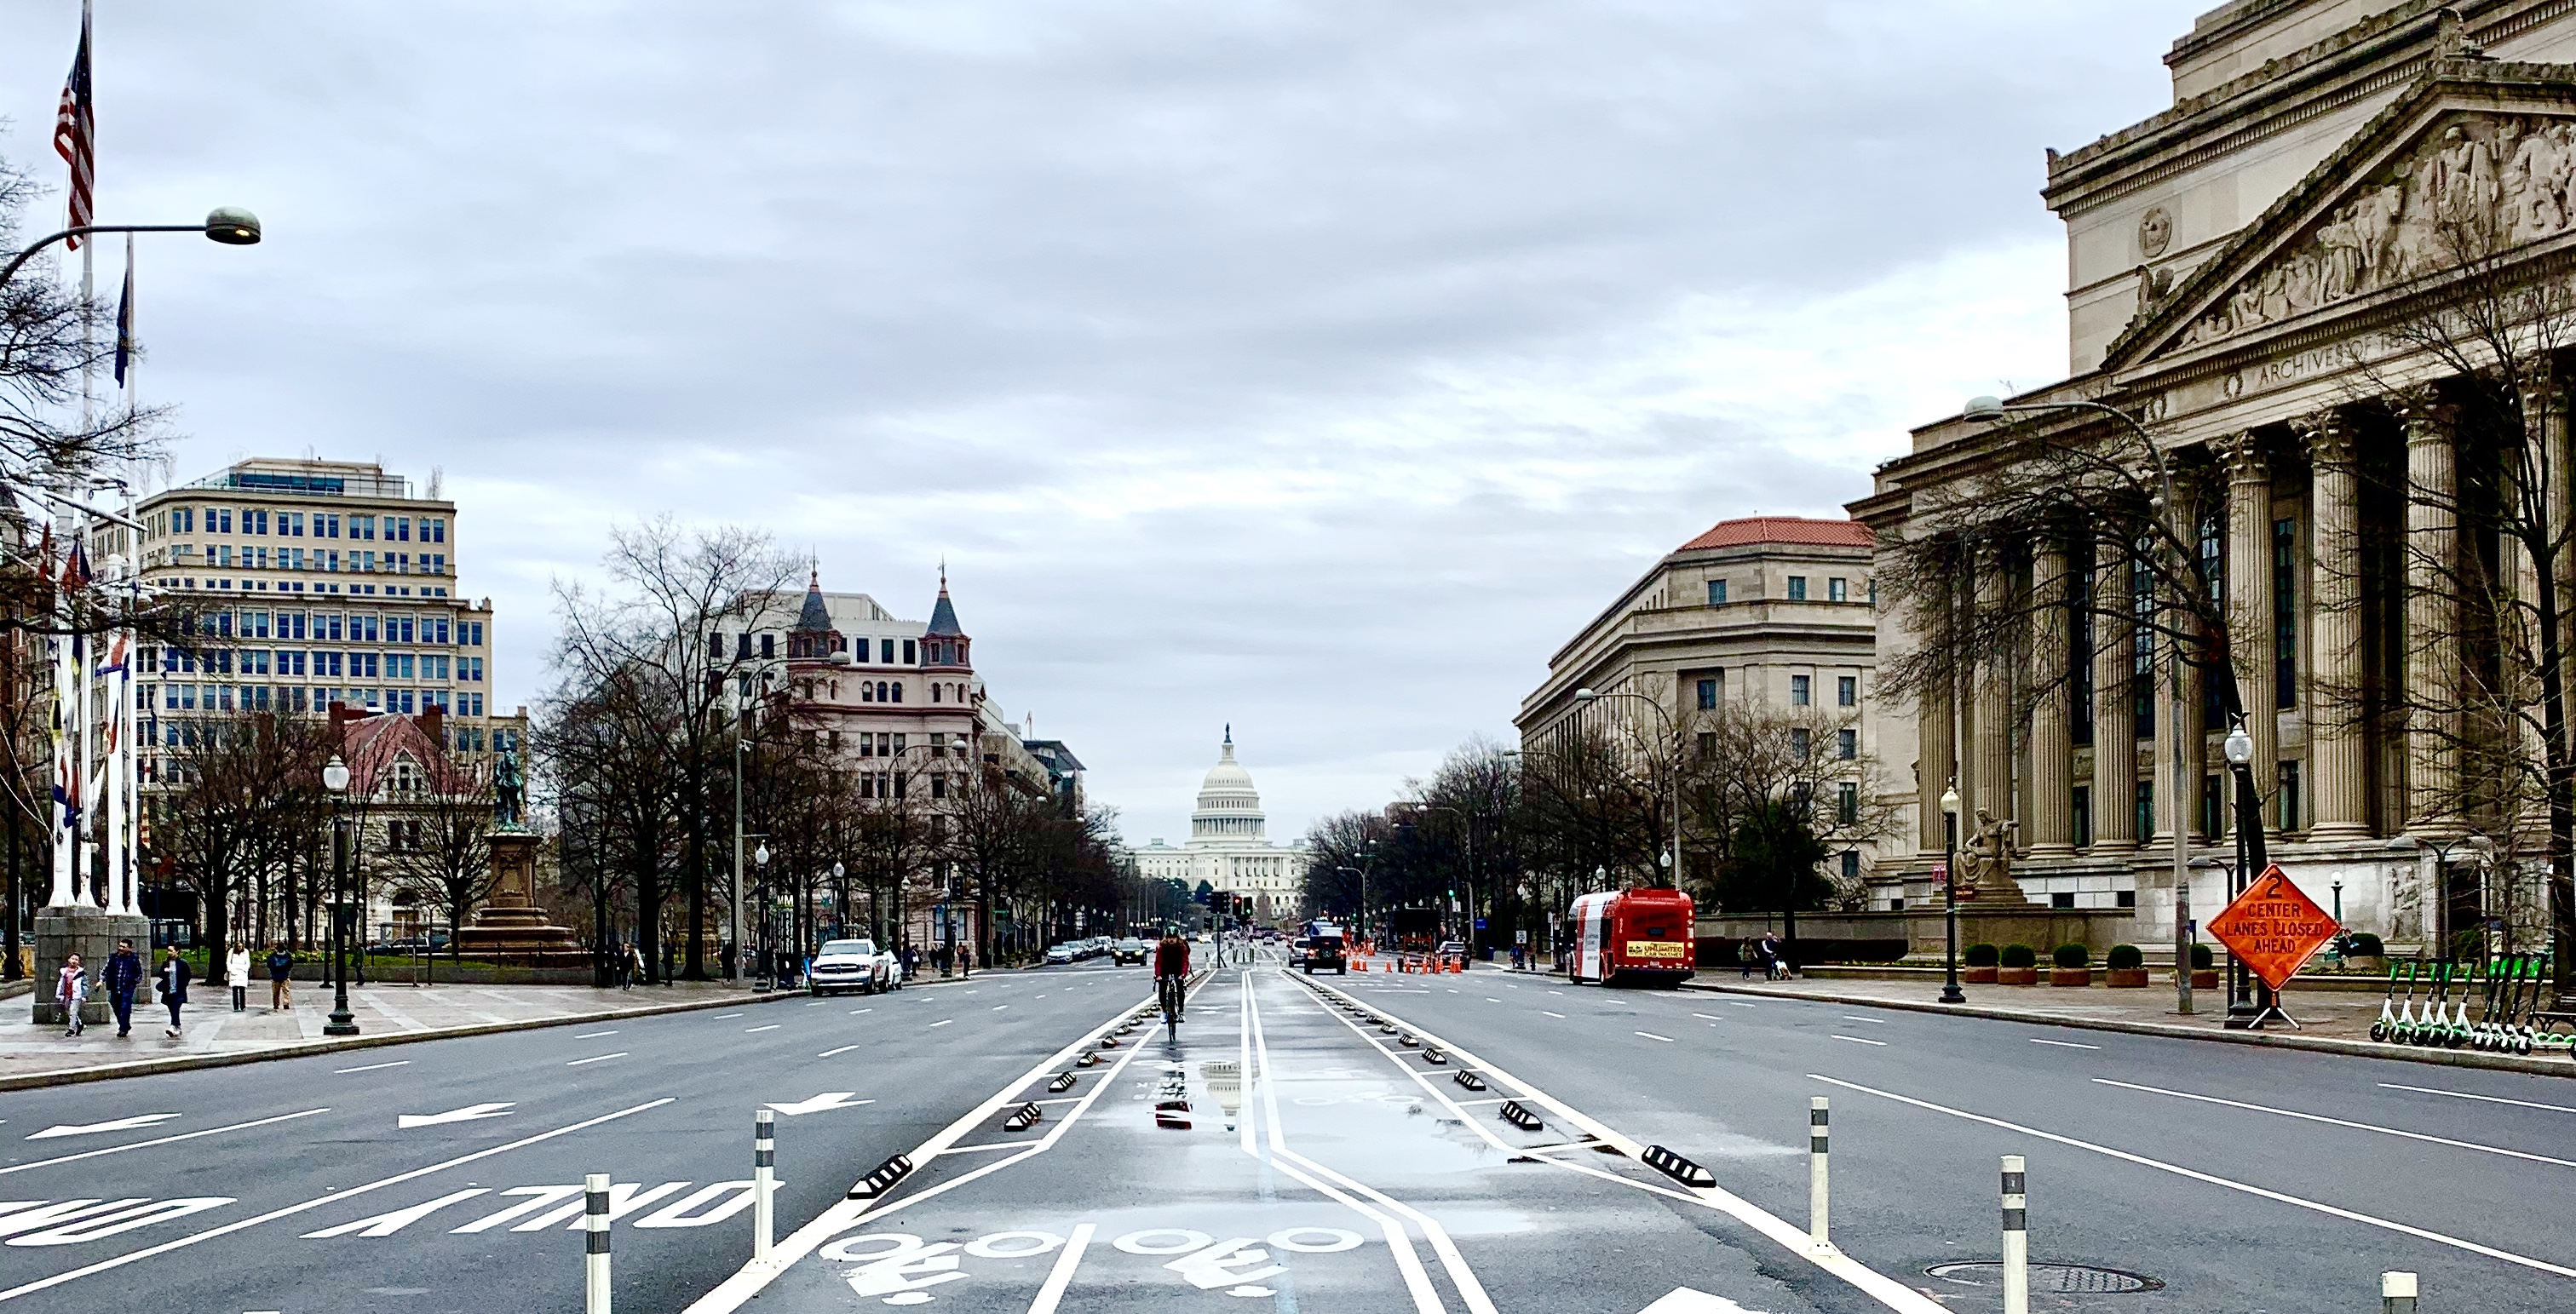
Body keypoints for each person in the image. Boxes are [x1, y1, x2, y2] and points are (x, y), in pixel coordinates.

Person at [101, 938, 145, 1038]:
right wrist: (101, 980)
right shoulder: (114, 958)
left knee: (125, 1007)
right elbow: (106, 969)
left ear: (129, 948)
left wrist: (133, 983)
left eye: (123, 947)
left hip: (127, 987)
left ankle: (122, 1029)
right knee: (115, 1005)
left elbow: (139, 974)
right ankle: (124, 1025)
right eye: (120, 946)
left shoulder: (134, 959)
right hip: (114, 986)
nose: (120, 948)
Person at [1153, 927, 1190, 1023]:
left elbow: (1185, 961)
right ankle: (1164, 1012)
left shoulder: (1182, 947)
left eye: (1173, 937)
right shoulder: (1162, 947)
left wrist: (1183, 974)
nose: (1171, 939)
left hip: (1177, 967)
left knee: (1180, 988)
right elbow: (1158, 962)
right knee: (1162, 988)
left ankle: (1181, 1012)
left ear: (1178, 938)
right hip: (1165, 967)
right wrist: (1158, 975)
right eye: (1169, 937)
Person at [158, 945, 191, 1037]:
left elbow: (187, 976)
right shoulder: (166, 963)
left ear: (177, 952)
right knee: (172, 1009)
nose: (169, 953)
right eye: (168, 951)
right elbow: (160, 974)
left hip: (178, 991)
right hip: (168, 991)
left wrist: (183, 985)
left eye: (171, 951)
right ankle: (178, 1027)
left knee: (175, 1007)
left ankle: (173, 1026)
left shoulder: (183, 964)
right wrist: (166, 972)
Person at [56, 952, 87, 1037]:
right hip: (66, 995)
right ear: (69, 960)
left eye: (76, 960)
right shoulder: (64, 972)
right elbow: (61, 984)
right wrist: (59, 994)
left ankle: (71, 1029)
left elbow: (85, 985)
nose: (74, 961)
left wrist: (84, 996)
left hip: (77, 995)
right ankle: (80, 1025)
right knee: (69, 1011)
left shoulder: (81, 972)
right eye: (73, 959)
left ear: (79, 962)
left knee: (73, 1011)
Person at [267, 943, 295, 1010]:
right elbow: (290, 964)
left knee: (276, 992)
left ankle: (277, 1004)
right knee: (285, 991)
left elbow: (269, 965)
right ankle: (285, 1003)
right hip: (283, 975)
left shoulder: (273, 956)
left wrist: (276, 968)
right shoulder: (287, 955)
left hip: (277, 975)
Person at [227, 944, 251, 1011]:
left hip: (242, 974)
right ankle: (236, 1007)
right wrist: (231, 970)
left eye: (241, 946)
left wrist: (244, 970)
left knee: (242, 991)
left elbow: (248, 963)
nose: (240, 948)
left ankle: (243, 1006)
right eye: (239, 946)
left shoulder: (246, 952)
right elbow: (228, 962)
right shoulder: (231, 952)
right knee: (235, 991)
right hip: (234, 973)